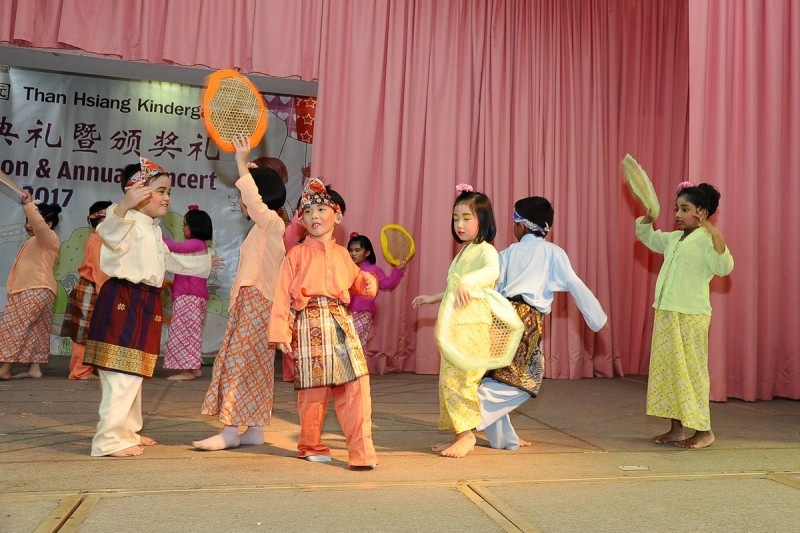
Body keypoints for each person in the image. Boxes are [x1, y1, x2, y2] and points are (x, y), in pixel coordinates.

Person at [83, 157, 211, 457]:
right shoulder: (122, 219)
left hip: (145, 300)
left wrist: (203, 264)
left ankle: (128, 431)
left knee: (134, 372)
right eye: (161, 191)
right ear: (138, 192)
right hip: (125, 299)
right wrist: (124, 205)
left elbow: (167, 260)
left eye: (169, 192)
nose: (167, 198)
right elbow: (107, 232)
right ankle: (108, 440)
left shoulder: (151, 227)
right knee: (120, 374)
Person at [477, 196, 608, 450]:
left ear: (520, 225)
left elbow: (492, 286)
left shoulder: (506, 253)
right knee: (526, 379)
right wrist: (598, 317)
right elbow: (574, 284)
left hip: (500, 316)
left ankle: (503, 438)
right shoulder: (553, 252)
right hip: (525, 320)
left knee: (499, 374)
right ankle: (470, 414)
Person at [269, 177, 379, 470]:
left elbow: (357, 283)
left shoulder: (343, 254)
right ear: (301, 219)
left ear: (337, 216)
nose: (314, 216)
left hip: (341, 322)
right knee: (314, 392)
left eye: (320, 210)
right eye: (307, 211)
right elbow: (282, 293)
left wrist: (368, 283)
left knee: (356, 386)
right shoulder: (296, 254)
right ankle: (310, 445)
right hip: (309, 323)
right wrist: (280, 331)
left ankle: (362, 453)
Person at [193, 134, 286, 451]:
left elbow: (256, 203)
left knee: (237, 362)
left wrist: (241, 163)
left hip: (257, 303)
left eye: (246, 196)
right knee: (255, 366)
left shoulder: (271, 223)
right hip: (253, 304)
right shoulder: (264, 228)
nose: (243, 203)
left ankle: (231, 430)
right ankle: (254, 429)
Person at [636, 181, 733, 449]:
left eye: (685, 209)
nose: (678, 214)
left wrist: (711, 229)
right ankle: (676, 429)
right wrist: (649, 217)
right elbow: (648, 237)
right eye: (676, 208)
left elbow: (724, 266)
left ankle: (704, 431)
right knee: (670, 373)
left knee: (691, 373)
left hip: (691, 316)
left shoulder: (707, 241)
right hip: (666, 313)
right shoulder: (673, 239)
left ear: (702, 213)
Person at [411, 183, 499, 458]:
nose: (459, 224)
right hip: (455, 329)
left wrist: (470, 282)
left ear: (482, 219)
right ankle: (459, 434)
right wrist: (433, 298)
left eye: (466, 218)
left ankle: (467, 435)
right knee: (448, 382)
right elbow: (454, 289)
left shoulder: (485, 250)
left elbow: (491, 272)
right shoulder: (464, 251)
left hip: (472, 329)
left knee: (462, 382)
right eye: (455, 218)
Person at [0, 191, 62, 380]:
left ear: (48, 224)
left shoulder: (47, 237)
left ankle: (4, 369)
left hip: (34, 289)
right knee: (37, 329)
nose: (28, 224)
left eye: (31, 220)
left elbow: (38, 226)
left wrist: (29, 206)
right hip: (42, 290)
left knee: (15, 327)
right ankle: (34, 368)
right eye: (26, 220)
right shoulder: (37, 241)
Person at [60, 200, 112, 380]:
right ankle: (80, 370)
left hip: (96, 287)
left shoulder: (99, 238)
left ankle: (92, 368)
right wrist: (107, 294)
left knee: (97, 331)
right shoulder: (98, 240)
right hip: (93, 287)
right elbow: (99, 271)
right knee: (84, 332)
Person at [162, 206, 214, 381]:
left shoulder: (195, 244)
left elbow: (173, 246)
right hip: (193, 296)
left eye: (185, 224)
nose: (183, 228)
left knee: (184, 333)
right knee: (191, 332)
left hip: (189, 296)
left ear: (194, 227)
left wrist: (155, 233)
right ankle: (193, 367)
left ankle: (188, 371)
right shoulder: (200, 245)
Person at [346, 232, 406, 361]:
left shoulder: (373, 270)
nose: (353, 253)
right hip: (346, 312)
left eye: (357, 250)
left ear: (367, 253)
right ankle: (358, 368)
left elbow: (388, 284)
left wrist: (398, 270)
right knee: (357, 343)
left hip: (364, 312)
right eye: (350, 250)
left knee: (353, 338)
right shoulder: (346, 269)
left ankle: (356, 368)